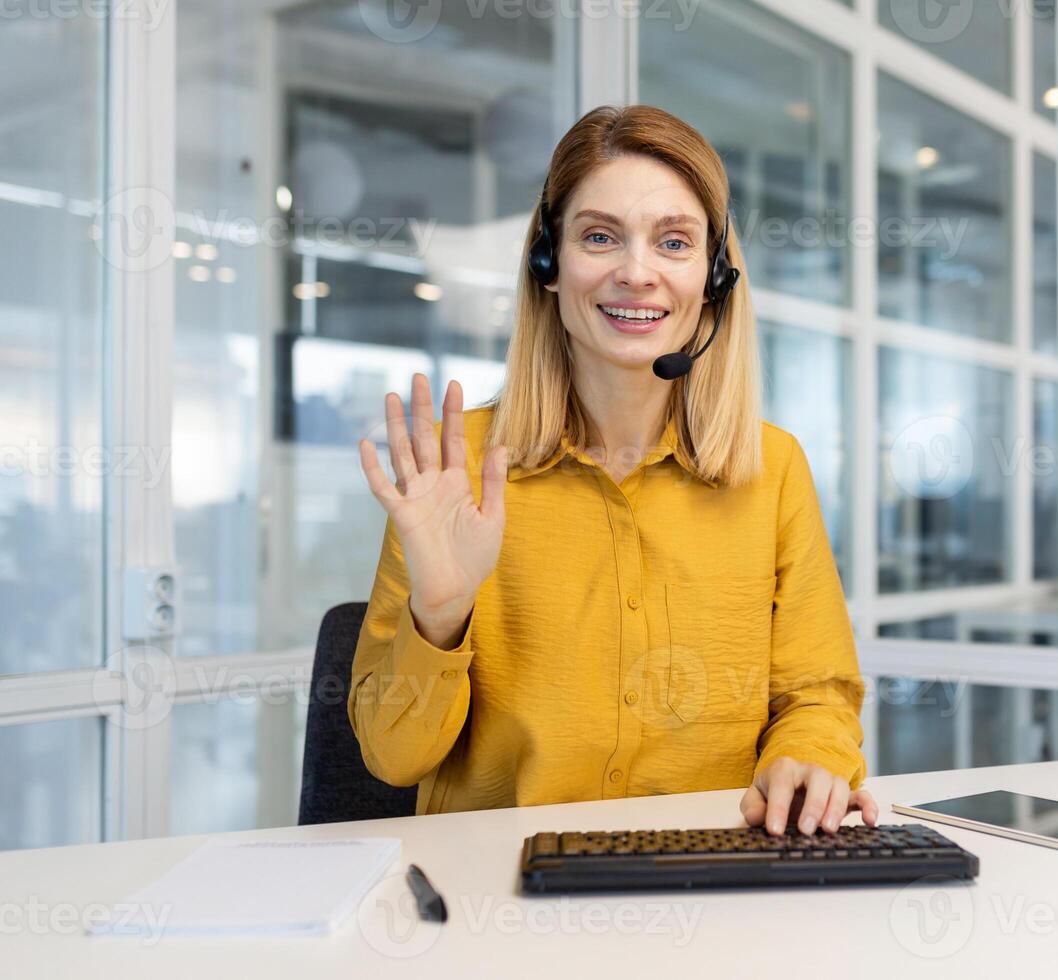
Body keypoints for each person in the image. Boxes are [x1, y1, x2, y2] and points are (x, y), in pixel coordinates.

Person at [350, 104, 876, 837]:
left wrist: (809, 759)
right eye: (599, 237)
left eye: (673, 242)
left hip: (714, 879)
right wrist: (439, 619)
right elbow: (390, 757)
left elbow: (818, 696)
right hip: (499, 899)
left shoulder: (773, 468)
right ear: (549, 267)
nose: (637, 272)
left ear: (715, 277)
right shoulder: (456, 469)